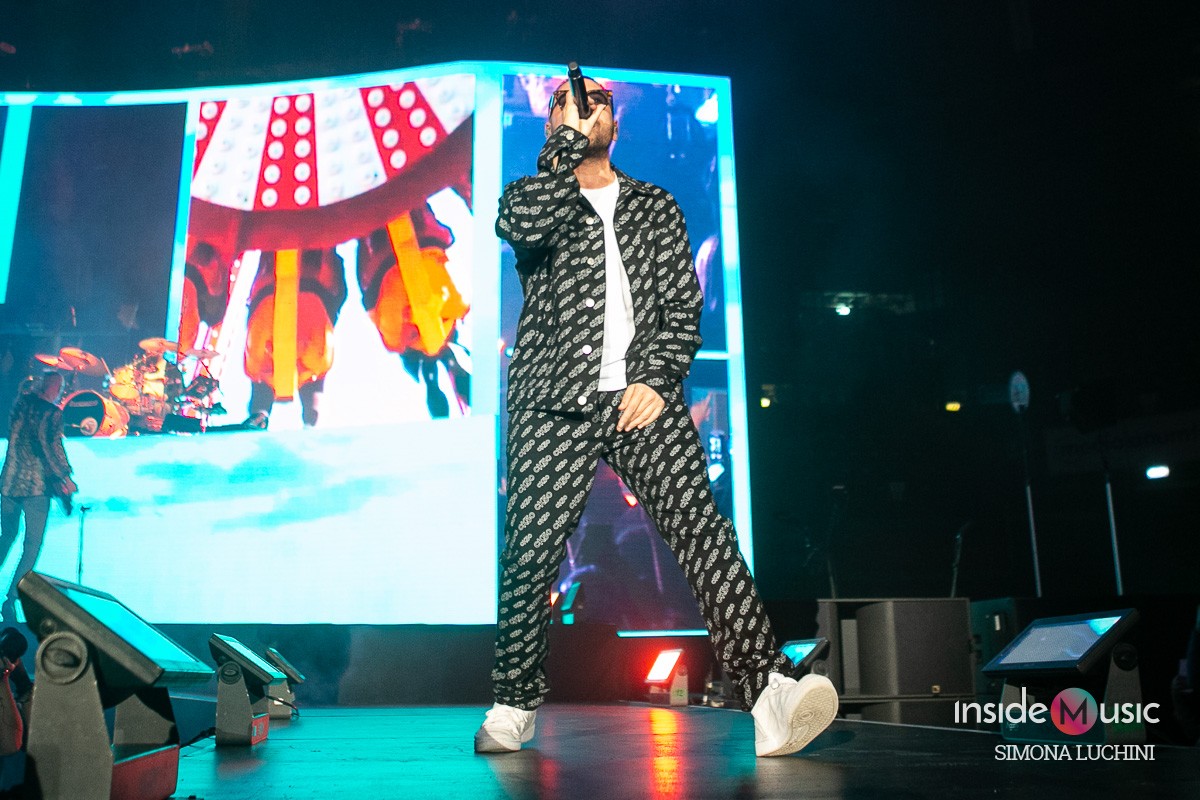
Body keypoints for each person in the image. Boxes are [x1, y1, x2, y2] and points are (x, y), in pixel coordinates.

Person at [478, 76, 838, 757]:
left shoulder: (655, 206)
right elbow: (519, 225)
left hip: (641, 398)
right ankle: (514, 701)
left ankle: (770, 692)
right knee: (530, 552)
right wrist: (565, 146)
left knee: (704, 533)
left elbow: (681, 307)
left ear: (618, 125)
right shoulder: (534, 197)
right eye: (567, 104)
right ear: (550, 124)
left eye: (597, 105)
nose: (584, 111)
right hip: (551, 402)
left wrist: (656, 377)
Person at [0, 371, 76, 621]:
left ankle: (11, 597)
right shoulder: (52, 414)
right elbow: (49, 445)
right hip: (35, 487)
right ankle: (11, 598)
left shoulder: (21, 404)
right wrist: (65, 476)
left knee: (7, 536)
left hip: (10, 482)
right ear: (56, 388)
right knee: (32, 545)